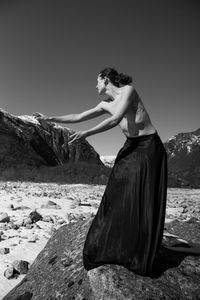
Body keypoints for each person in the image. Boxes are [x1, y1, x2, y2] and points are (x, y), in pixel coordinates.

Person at [36, 67, 168, 276]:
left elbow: (116, 119)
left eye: (96, 81)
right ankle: (115, 243)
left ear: (106, 79)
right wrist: (51, 118)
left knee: (142, 193)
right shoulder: (104, 104)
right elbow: (78, 116)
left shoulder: (128, 91)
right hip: (131, 145)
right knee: (117, 190)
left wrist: (88, 133)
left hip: (149, 146)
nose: (95, 85)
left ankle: (140, 248)